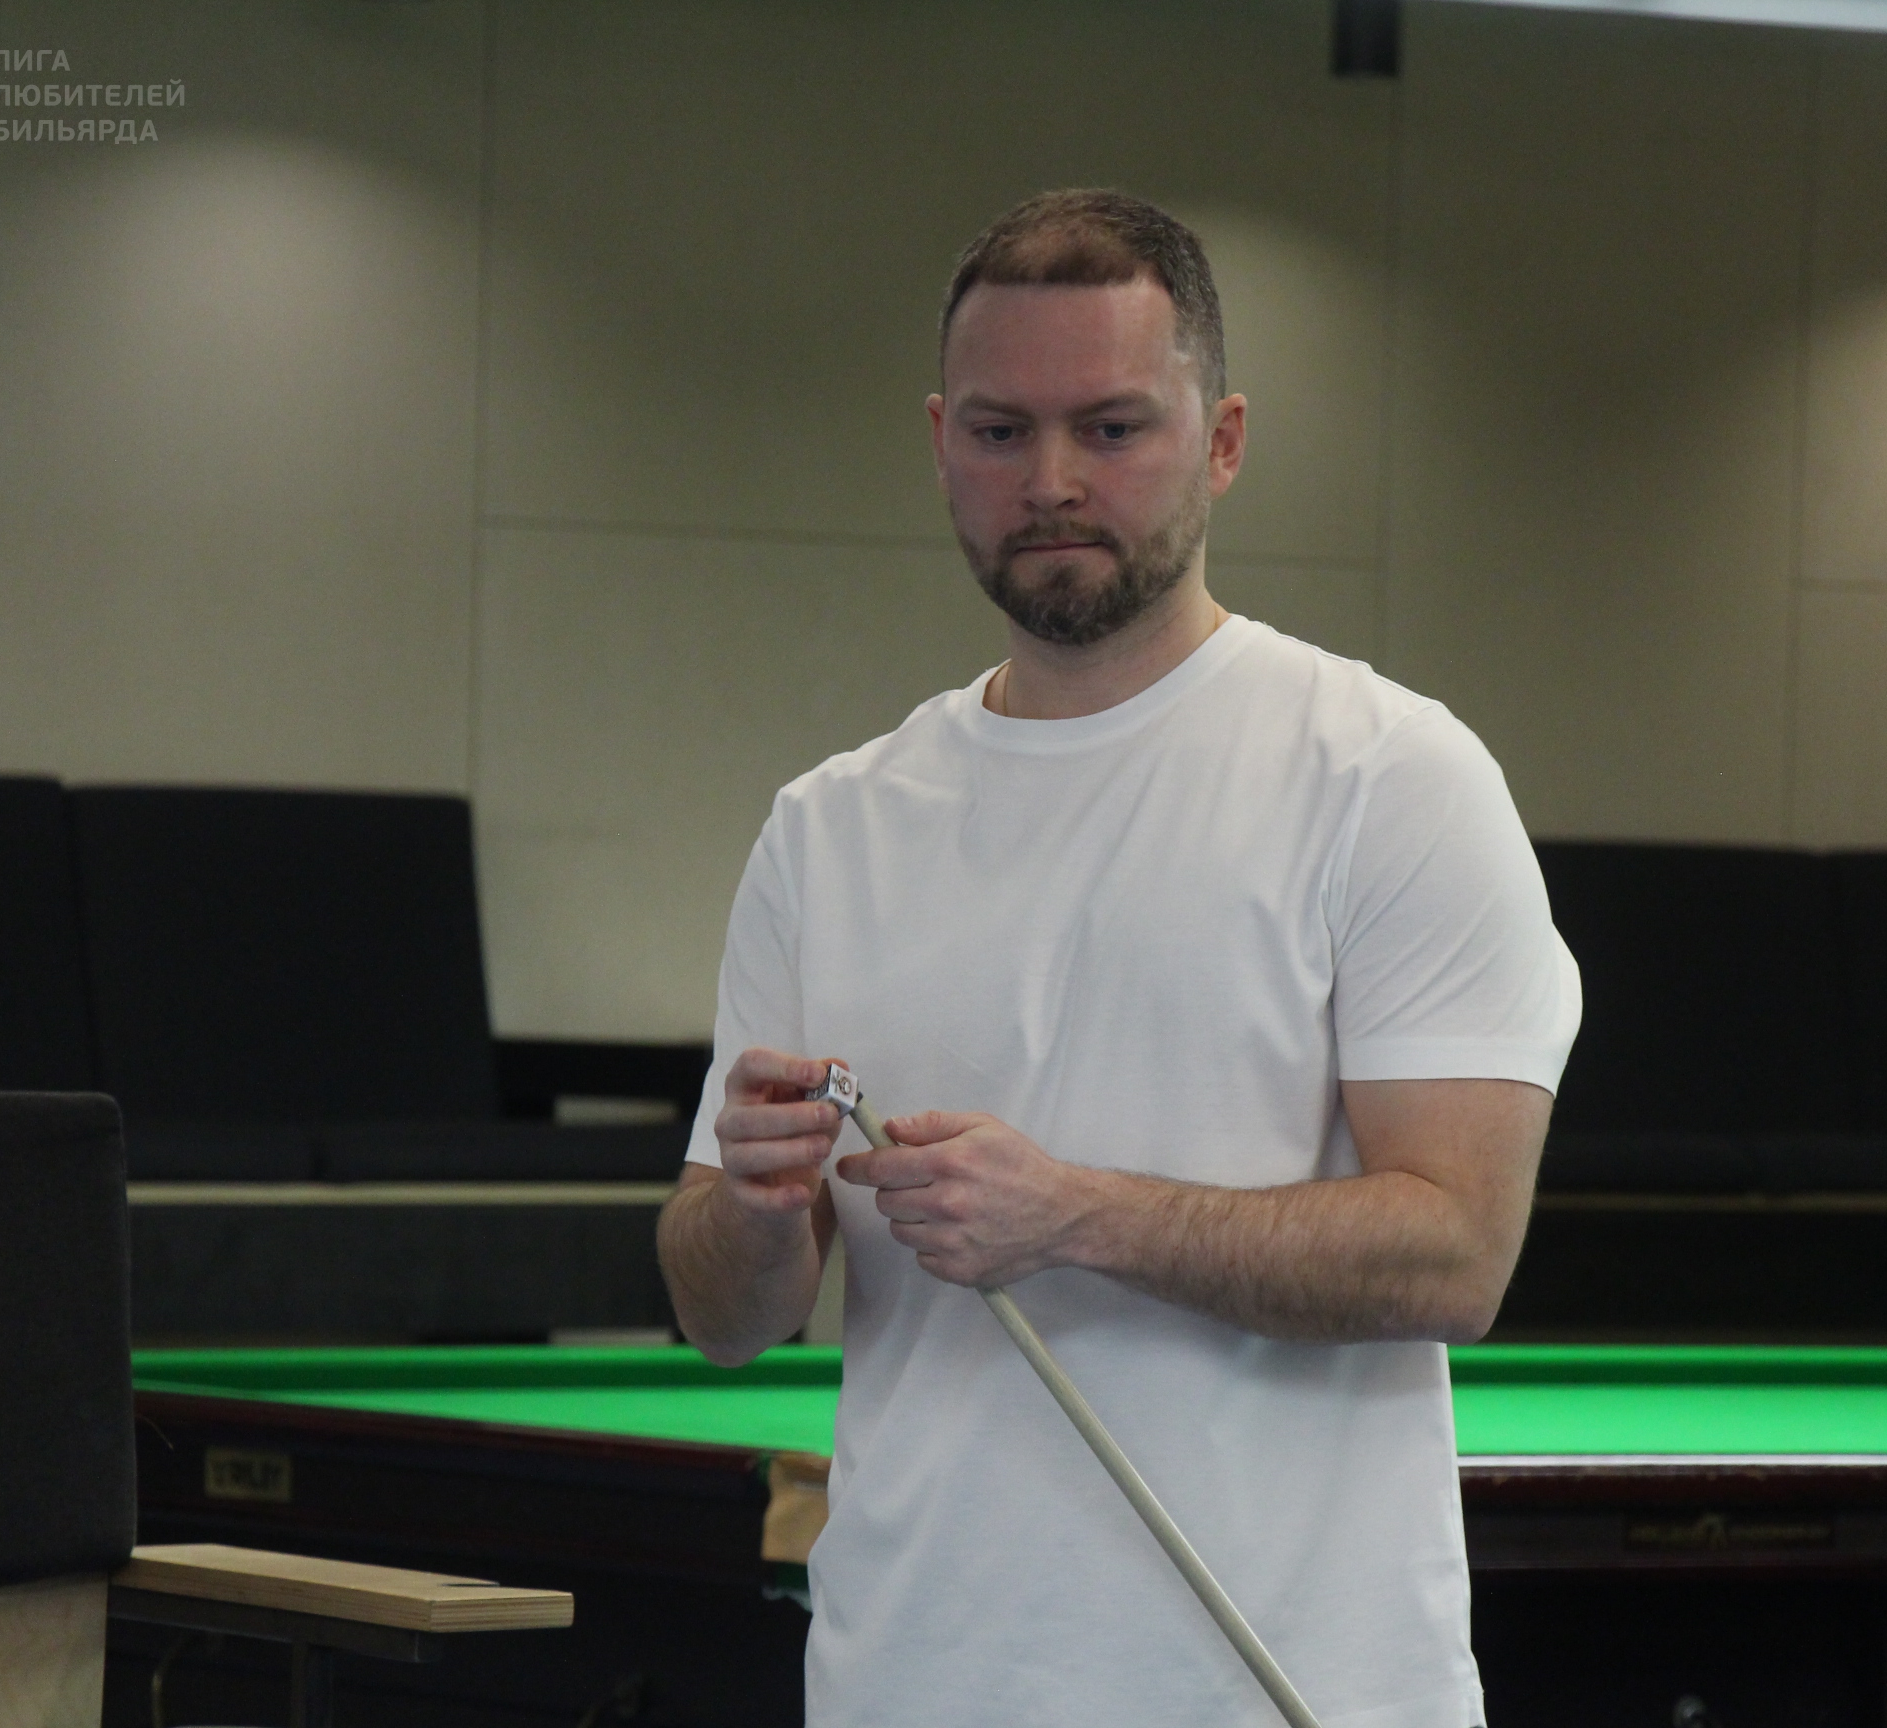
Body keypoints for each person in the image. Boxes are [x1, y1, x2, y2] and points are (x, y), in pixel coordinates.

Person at [657, 188, 1581, 1728]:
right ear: (942, 441)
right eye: (1001, 432)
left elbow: (1457, 1255)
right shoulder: (830, 830)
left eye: (1112, 428)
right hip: (910, 1690)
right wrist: (750, 1214)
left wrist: (1073, 1214)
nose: (1053, 483)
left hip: (1288, 1697)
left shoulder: (1388, 777)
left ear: (1222, 441)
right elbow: (721, 1317)